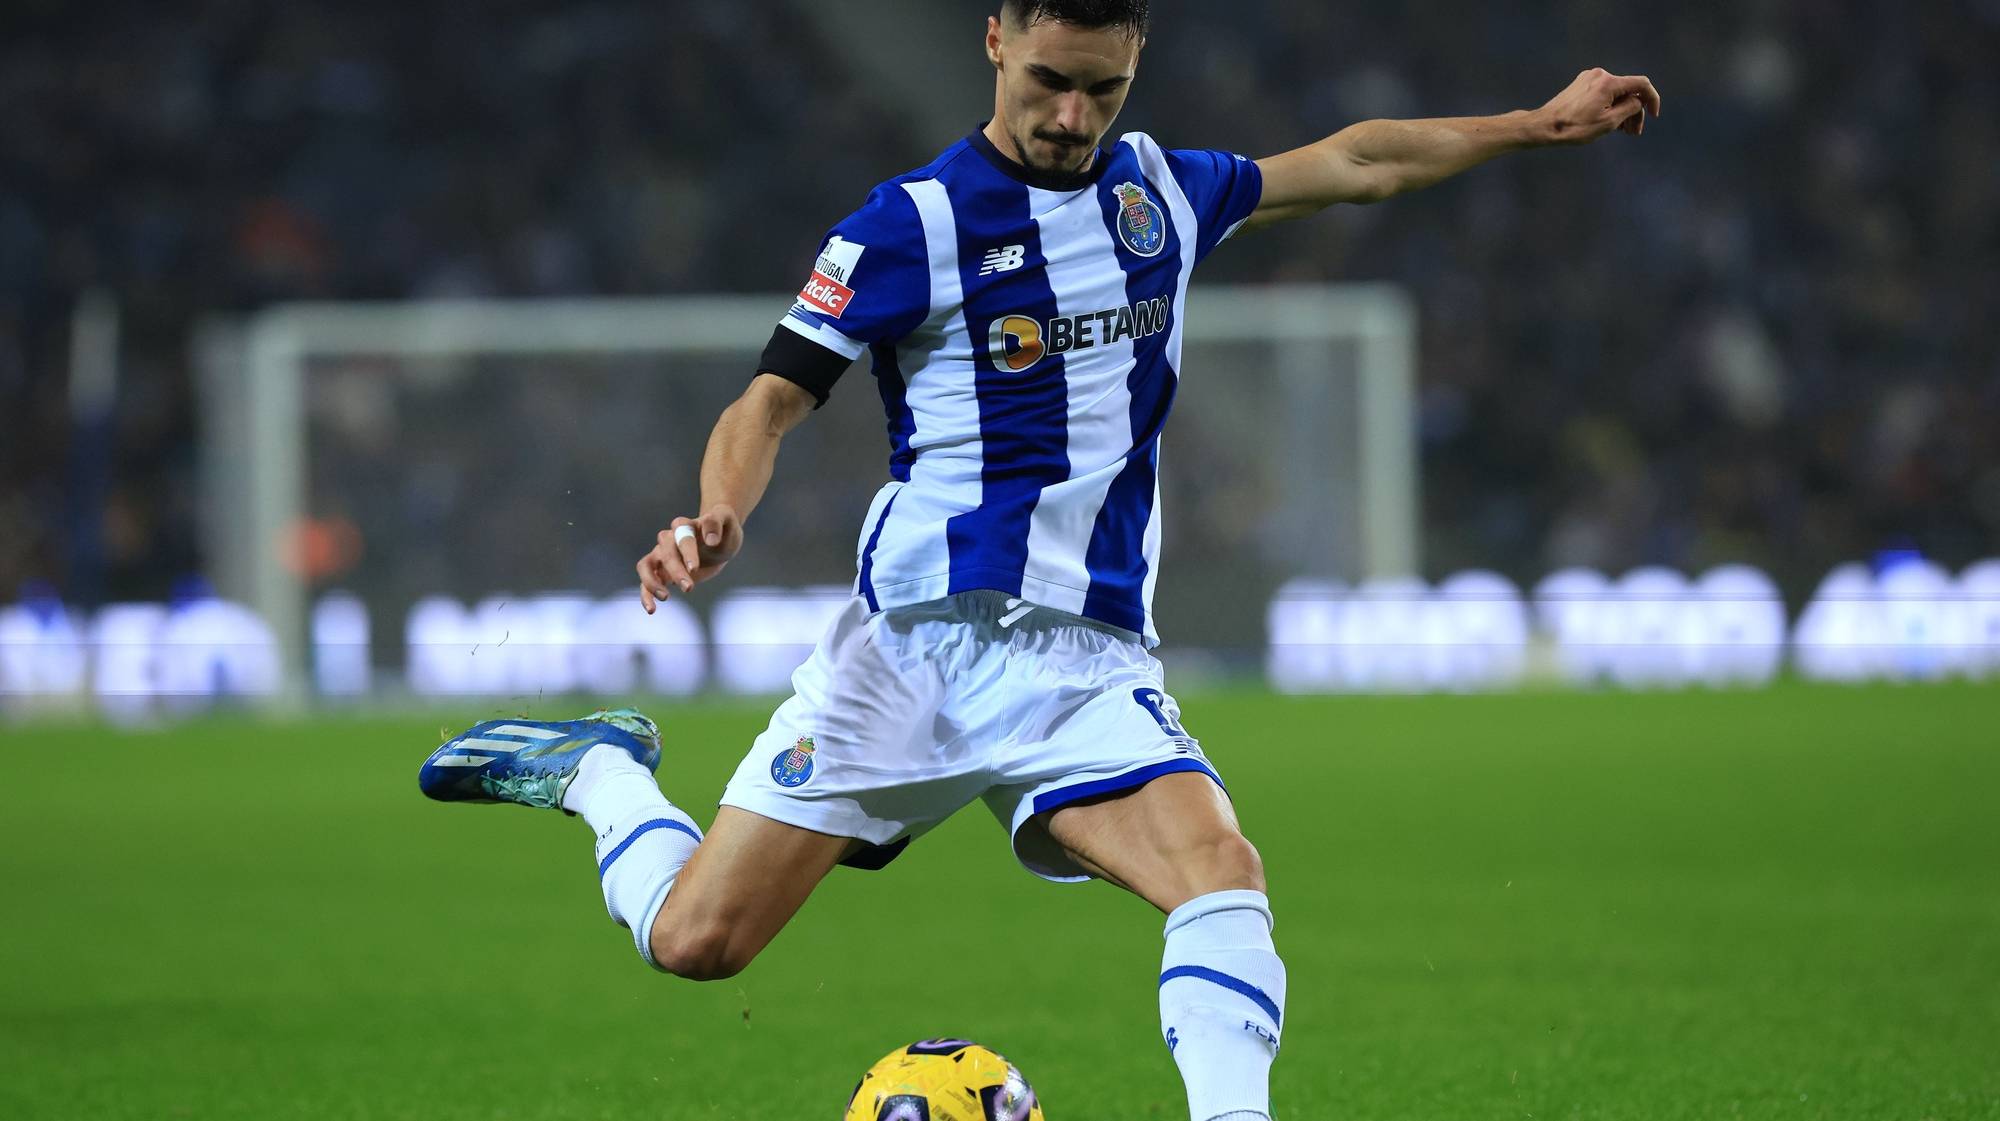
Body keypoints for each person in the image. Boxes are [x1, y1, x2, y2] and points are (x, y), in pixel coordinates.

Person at [419, 3, 1659, 1118]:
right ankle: (597, 771)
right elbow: (769, 400)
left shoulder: (1161, 195)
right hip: (905, 650)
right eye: (1051, 80)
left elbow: (1355, 160)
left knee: (1219, 872)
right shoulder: (907, 222)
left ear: (1135, 66)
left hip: (1080, 657)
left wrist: (1534, 127)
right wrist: (716, 510)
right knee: (694, 940)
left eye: (1102, 91)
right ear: (996, 38)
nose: (1072, 117)